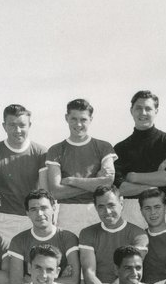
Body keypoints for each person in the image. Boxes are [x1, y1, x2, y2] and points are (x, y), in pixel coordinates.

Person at [45, 98, 116, 234]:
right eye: (73, 119)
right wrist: (95, 184)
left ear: (91, 119)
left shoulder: (103, 147)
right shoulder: (56, 150)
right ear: (66, 118)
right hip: (68, 214)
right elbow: (55, 192)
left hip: (97, 210)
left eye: (83, 119)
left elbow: (108, 182)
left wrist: (72, 181)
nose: (78, 124)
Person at [113, 90, 166, 228]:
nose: (143, 113)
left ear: (156, 111)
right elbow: (121, 189)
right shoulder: (121, 148)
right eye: (138, 108)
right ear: (131, 110)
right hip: (132, 209)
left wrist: (132, 176)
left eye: (148, 108)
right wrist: (156, 181)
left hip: (164, 205)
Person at [0, 104, 48, 240]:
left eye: (22, 125)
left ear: (30, 125)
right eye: (12, 125)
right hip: (1, 221)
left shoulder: (41, 152)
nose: (17, 130)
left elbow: (44, 192)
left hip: (31, 219)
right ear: (4, 126)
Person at [6, 189, 80, 284]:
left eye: (44, 208)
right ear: (27, 213)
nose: (39, 213)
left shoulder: (68, 237)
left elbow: (74, 281)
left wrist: (31, 280)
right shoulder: (18, 240)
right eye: (33, 209)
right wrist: (60, 280)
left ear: (54, 208)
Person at [78, 186, 148, 284]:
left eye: (111, 205)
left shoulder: (139, 234)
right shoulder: (87, 233)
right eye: (101, 207)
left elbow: (130, 272)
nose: (107, 211)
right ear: (96, 207)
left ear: (121, 203)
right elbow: (89, 272)